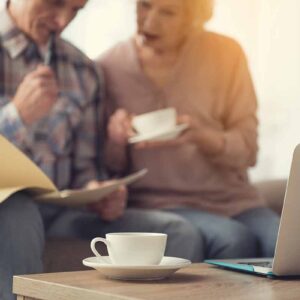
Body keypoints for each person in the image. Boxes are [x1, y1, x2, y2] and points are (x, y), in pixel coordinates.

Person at [0, 1, 203, 299]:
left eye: (75, 10)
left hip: (64, 209)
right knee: (19, 214)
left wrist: (98, 192)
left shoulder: (83, 70)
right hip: (9, 207)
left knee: (180, 232)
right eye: (56, 3)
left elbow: (87, 169)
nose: (61, 21)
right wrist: (16, 116)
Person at [98, 0, 280, 261]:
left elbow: (249, 151)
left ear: (193, 19)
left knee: (287, 248)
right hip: (160, 204)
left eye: (168, 12)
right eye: (144, 5)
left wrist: (204, 137)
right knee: (233, 240)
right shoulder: (108, 66)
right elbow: (108, 169)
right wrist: (115, 140)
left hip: (235, 201)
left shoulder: (226, 54)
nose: (149, 21)